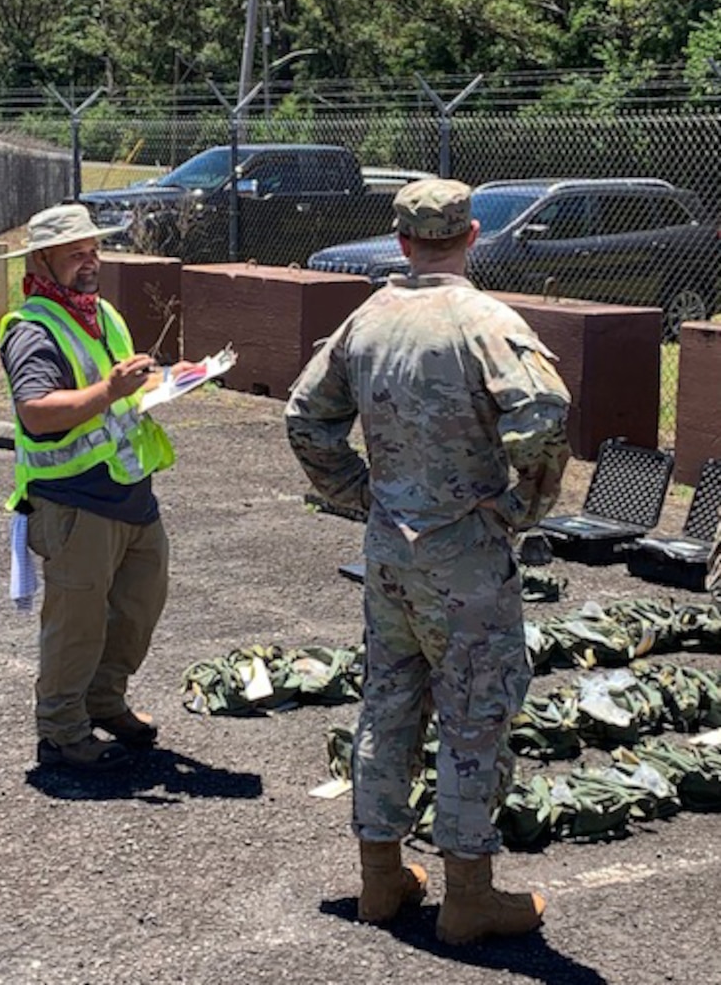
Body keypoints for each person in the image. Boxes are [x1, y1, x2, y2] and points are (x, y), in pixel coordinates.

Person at [285, 178, 571, 945]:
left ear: (402, 241)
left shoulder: (368, 319)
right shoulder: (484, 321)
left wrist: (360, 495)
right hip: (464, 555)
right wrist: (518, 510)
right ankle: (468, 896)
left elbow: (306, 419)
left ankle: (382, 878)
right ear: (472, 234)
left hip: (389, 551)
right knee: (475, 715)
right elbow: (542, 419)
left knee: (388, 699)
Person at [0, 203, 195, 773]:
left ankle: (104, 702)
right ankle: (61, 732)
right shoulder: (33, 329)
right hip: (75, 501)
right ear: (42, 260)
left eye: (94, 250)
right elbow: (37, 413)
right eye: (75, 253)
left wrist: (169, 381)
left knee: (139, 607)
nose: (90, 261)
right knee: (76, 625)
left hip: (131, 492)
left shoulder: (101, 313)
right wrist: (111, 391)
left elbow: (121, 384)